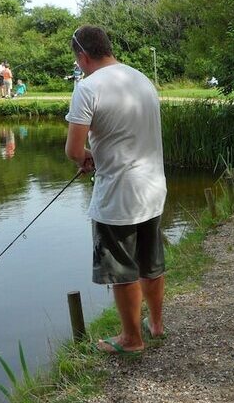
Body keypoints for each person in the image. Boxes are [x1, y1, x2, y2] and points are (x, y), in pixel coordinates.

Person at [64, 25, 167, 355]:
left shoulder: (87, 88)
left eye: (77, 60)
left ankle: (131, 339)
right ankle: (156, 324)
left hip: (118, 196)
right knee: (151, 262)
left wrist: (86, 157)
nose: (78, 65)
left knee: (122, 271)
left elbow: (74, 150)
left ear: (83, 56)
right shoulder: (141, 79)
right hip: (153, 188)